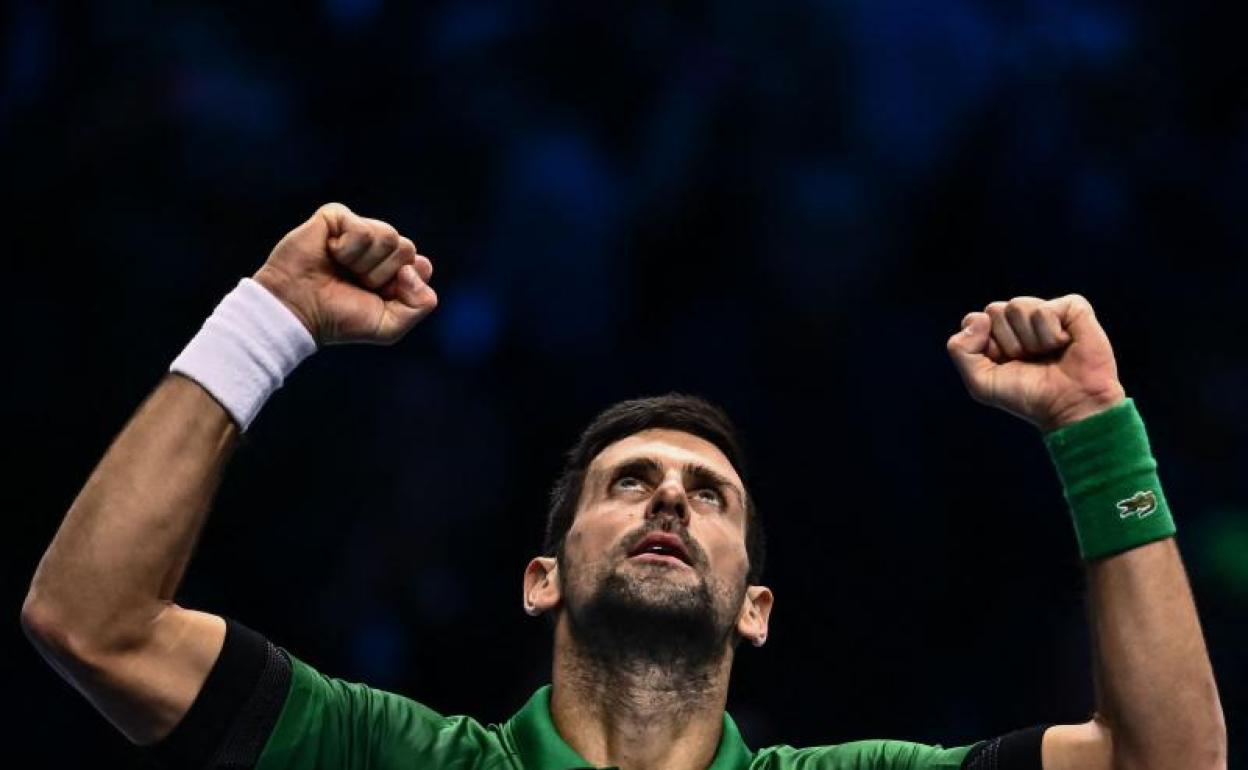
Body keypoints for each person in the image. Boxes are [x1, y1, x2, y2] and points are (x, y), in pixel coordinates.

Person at [22, 204, 1226, 770]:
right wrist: (270, 318)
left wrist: (1095, 428)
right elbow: (92, 621)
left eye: (710, 494)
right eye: (631, 480)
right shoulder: (386, 755)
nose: (670, 500)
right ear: (542, 577)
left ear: (757, 605)